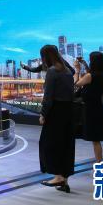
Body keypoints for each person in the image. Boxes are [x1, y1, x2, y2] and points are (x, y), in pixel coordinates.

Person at [38, 44, 75, 193]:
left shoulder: (52, 71)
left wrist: (43, 114)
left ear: (46, 57)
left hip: (56, 112)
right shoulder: (67, 71)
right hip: (68, 111)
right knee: (65, 145)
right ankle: (64, 180)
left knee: (48, 144)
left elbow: (48, 97)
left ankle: (58, 176)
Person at [74, 52, 103, 162]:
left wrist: (77, 70)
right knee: (96, 139)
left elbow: (76, 83)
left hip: (89, 109)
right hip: (97, 106)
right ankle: (99, 163)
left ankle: (99, 164)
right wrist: (84, 64)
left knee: (95, 140)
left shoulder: (90, 76)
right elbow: (92, 73)